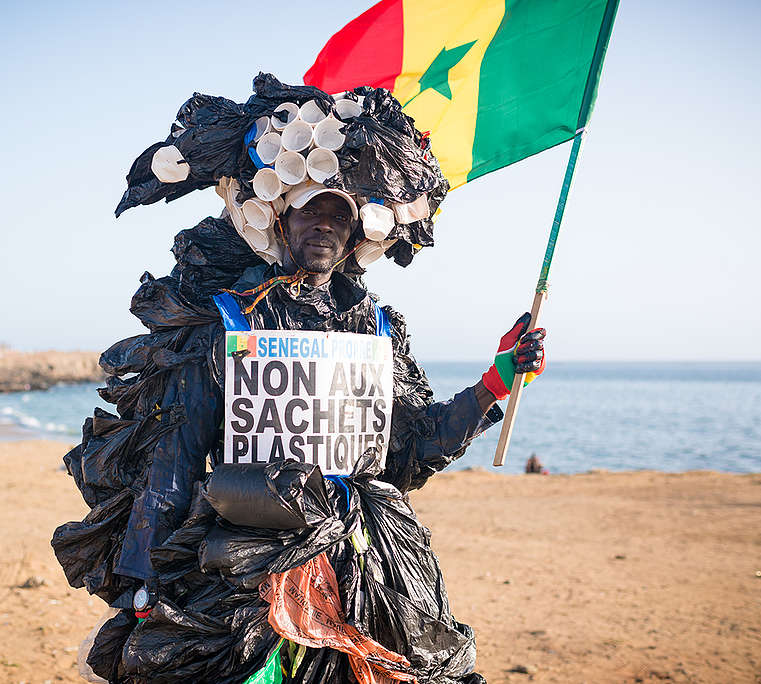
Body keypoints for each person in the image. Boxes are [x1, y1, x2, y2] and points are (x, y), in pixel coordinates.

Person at [53, 75, 546, 684]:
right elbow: (175, 458)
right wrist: (142, 581)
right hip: (245, 560)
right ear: (280, 221)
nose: (324, 225)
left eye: (338, 215)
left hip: (367, 559)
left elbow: (412, 446)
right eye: (310, 209)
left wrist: (495, 382)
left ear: (354, 234)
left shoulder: (378, 334)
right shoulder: (229, 324)